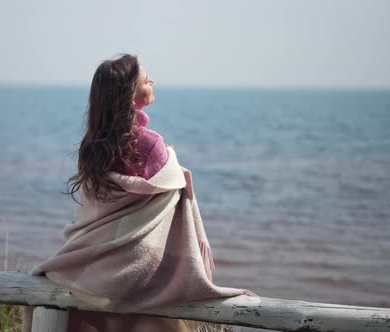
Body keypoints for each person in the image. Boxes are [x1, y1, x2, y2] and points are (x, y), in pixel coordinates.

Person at [23, 54, 255, 332]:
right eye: (146, 80)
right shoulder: (151, 144)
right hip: (137, 267)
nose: (152, 81)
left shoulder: (92, 147)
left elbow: (95, 208)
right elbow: (165, 198)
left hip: (92, 261)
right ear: (130, 96)